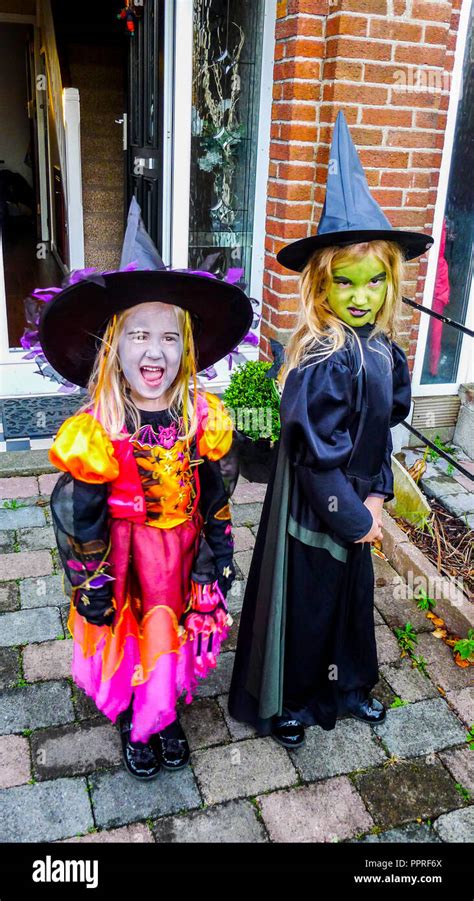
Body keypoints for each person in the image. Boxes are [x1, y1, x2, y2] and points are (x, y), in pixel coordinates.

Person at [228, 111, 433, 748]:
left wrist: (375, 493)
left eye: (376, 281)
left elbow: (381, 431)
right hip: (317, 511)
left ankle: (346, 687)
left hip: (357, 497)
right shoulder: (320, 358)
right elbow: (317, 460)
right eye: (345, 282)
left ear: (391, 284)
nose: (362, 295)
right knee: (309, 601)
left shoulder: (383, 350)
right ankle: (291, 696)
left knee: (349, 600)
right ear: (320, 283)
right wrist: (353, 514)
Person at [39, 267, 252, 779]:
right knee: (131, 632)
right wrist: (90, 578)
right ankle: (138, 715)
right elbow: (79, 511)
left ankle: (165, 711)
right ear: (114, 346)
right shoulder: (99, 426)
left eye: (169, 338)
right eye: (139, 336)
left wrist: (220, 557)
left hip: (182, 553)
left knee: (172, 631)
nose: (154, 352)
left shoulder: (202, 417)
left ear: (187, 348)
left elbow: (215, 496)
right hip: (125, 556)